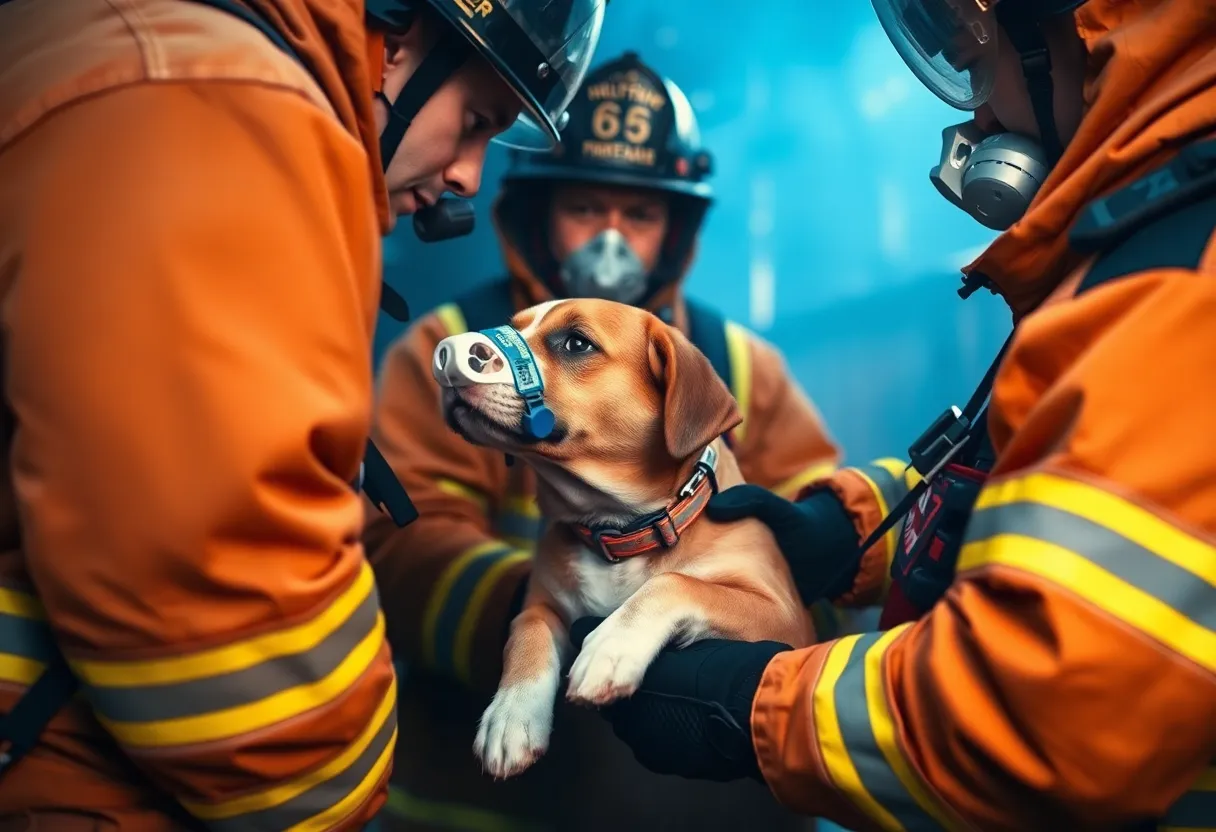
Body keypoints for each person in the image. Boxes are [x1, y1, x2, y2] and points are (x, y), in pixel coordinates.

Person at [564, 1, 1216, 830]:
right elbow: (1031, 477)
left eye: (977, 66)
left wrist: (753, 703)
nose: (979, 116)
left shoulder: (1180, 286)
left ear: (1074, 39)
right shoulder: (1143, 250)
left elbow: (1032, 716)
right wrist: (850, 529)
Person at [0, 0, 604, 827]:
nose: (467, 175)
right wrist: (340, 793)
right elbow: (212, 574)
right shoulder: (223, 107)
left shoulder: (166, 64)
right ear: (398, 40)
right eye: (473, 121)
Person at [365, 51, 843, 830]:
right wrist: (542, 615)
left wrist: (737, 609)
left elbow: (818, 557)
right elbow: (402, 543)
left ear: (676, 230)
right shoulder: (452, 352)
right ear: (539, 211)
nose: (612, 240)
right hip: (497, 805)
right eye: (587, 208)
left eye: (641, 215)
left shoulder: (740, 369)